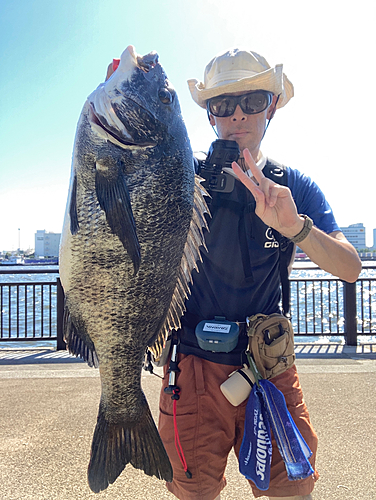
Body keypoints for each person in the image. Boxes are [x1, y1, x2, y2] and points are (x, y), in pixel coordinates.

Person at [108, 49, 361, 499]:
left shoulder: (294, 186)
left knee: (292, 489)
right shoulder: (182, 175)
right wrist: (121, 105)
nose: (238, 113)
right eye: (223, 104)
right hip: (191, 366)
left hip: (269, 365)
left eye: (253, 99)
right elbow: (119, 194)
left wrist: (294, 227)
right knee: (193, 492)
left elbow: (349, 267)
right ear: (209, 116)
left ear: (273, 107)